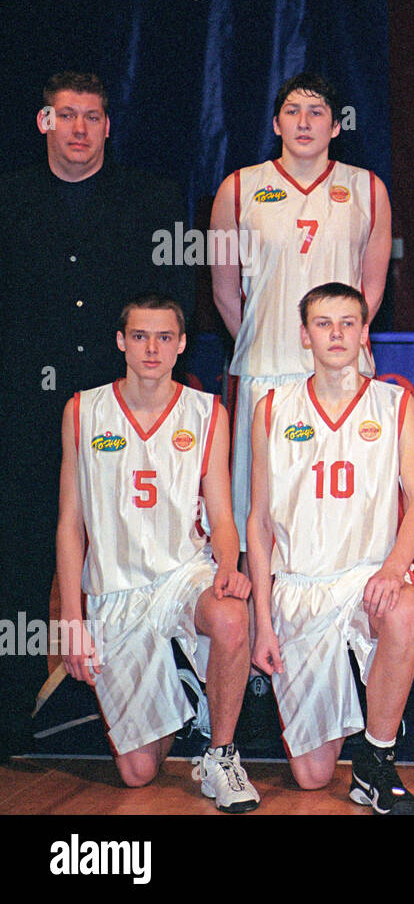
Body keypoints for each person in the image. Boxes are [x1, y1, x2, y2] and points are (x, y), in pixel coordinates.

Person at [0, 71, 190, 756]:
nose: (79, 129)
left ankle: (151, 710)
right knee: (18, 559)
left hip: (125, 417)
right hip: (25, 411)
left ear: (109, 127)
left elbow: (176, 303)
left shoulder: (152, 200)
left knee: (137, 555)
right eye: (65, 116)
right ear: (44, 122)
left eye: (91, 117)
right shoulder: (11, 200)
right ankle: (11, 716)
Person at [54, 294, 259, 811]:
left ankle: (222, 755)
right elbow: (69, 525)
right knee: (139, 773)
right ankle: (191, 691)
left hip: (182, 576)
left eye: (165, 337)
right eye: (140, 336)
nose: (152, 348)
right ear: (121, 342)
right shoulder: (83, 410)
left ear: (182, 345)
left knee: (232, 616)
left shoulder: (207, 411)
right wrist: (72, 621)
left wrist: (229, 567)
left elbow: (223, 518)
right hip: (116, 590)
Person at [247, 283, 414, 813]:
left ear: (364, 332)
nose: (336, 334)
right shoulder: (272, 408)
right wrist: (263, 619)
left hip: (365, 578)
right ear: (304, 335)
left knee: (401, 610)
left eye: (348, 323)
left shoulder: (395, 403)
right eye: (324, 324)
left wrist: (395, 568)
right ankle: (350, 758)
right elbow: (258, 522)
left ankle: (377, 758)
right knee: (312, 776)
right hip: (299, 587)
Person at [210, 71, 392, 551]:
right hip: (265, 371)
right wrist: (263, 340)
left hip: (344, 375)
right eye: (293, 111)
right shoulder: (238, 188)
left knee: (344, 511)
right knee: (260, 518)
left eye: (317, 112)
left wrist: (336, 347)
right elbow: (226, 293)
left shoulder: (368, 189)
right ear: (276, 123)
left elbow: (371, 289)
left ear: (336, 127)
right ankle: (259, 624)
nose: (304, 122)